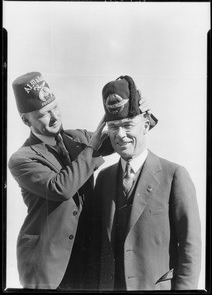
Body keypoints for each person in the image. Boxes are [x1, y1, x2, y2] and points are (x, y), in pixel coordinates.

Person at [8, 72, 156, 290]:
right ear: (25, 120)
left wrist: (140, 111)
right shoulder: (22, 158)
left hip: (88, 257)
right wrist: (93, 145)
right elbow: (60, 188)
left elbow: (121, 138)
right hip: (48, 265)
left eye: (55, 108)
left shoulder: (77, 138)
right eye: (43, 114)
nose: (54, 117)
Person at [88, 75, 202, 291]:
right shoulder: (103, 178)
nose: (120, 135)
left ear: (146, 126)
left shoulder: (174, 175)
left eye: (128, 125)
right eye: (113, 127)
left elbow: (190, 248)